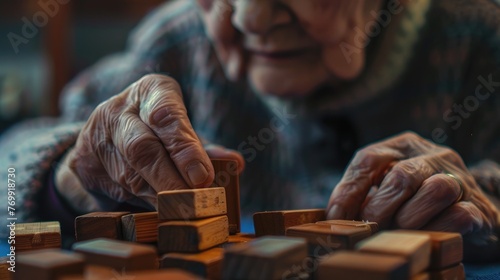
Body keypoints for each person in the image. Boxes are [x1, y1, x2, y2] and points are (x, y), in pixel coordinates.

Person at [1, 0, 499, 260]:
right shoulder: (174, 42)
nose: (251, 16)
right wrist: (65, 178)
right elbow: (5, 172)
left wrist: (488, 201)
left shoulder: (481, 40)